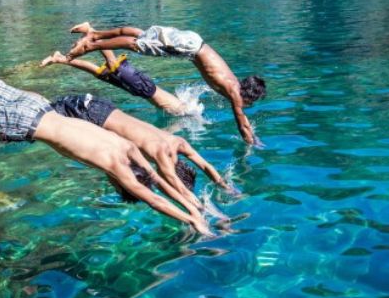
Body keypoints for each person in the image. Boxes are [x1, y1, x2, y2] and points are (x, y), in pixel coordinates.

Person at [0, 12, 212, 235]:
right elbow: (153, 195)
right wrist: (193, 221)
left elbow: (159, 180)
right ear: (121, 183)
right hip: (26, 124)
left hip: (38, 105)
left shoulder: (129, 148)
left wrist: (192, 204)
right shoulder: (117, 166)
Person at [60, 23, 266, 144]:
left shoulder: (233, 81)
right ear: (249, 95)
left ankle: (93, 32)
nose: (247, 105)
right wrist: (252, 143)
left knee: (142, 35)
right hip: (189, 47)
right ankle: (91, 45)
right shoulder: (235, 92)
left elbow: (243, 119)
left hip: (193, 42)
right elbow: (242, 124)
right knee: (137, 45)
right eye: (252, 102)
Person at [48, 93, 233, 213]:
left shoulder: (178, 143)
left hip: (103, 107)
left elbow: (206, 166)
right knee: (44, 117)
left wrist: (225, 186)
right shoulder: (161, 155)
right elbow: (176, 187)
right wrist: (202, 210)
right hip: (89, 114)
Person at [40, 49, 190, 115]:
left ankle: (59, 58)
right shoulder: (184, 112)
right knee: (113, 64)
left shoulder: (182, 106)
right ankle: (92, 33)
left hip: (139, 91)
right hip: (145, 88)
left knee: (100, 73)